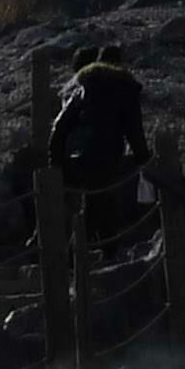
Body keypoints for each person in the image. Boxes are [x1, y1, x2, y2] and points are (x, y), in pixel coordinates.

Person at [46, 45, 151, 238]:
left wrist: (56, 160)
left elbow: (60, 126)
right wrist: (144, 159)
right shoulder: (126, 89)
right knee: (102, 201)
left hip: (77, 154)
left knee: (92, 200)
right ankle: (96, 250)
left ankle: (87, 250)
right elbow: (134, 131)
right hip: (108, 154)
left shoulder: (85, 86)